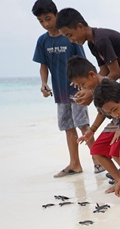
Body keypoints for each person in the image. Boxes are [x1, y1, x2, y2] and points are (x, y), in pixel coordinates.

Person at [31, 0, 92, 178]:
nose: (46, 24)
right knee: (67, 126)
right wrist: (44, 83)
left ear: (56, 15)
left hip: (76, 89)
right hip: (59, 91)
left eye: (48, 19)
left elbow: (82, 61)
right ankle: (75, 163)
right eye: (41, 21)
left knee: (83, 124)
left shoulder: (69, 36)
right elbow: (43, 65)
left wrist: (84, 85)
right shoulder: (42, 41)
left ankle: (97, 160)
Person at [66, 56, 120, 195]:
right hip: (113, 121)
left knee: (115, 151)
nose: (83, 88)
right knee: (96, 150)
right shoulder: (94, 89)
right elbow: (102, 112)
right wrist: (92, 130)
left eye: (82, 84)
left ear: (92, 75)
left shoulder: (108, 85)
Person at [55, 8, 120, 95]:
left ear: (80, 26)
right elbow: (104, 70)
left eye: (70, 35)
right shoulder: (92, 43)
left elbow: (115, 73)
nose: (71, 40)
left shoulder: (101, 40)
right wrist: (88, 87)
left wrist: (92, 92)